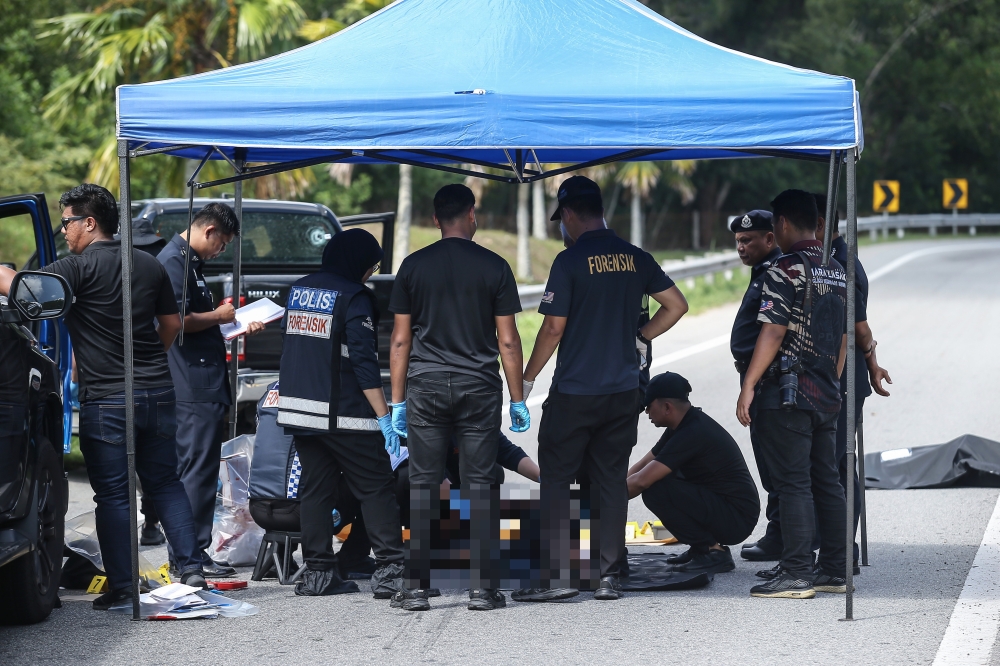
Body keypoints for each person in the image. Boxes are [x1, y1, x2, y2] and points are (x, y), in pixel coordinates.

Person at [0, 183, 207, 610]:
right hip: (158, 391)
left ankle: (125, 588)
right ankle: (192, 570)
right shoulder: (149, 264)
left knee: (113, 495)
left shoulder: (75, 268)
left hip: (107, 399)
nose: (64, 231)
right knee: (165, 483)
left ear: (90, 222)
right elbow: (171, 324)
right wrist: (148, 363)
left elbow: (19, 286)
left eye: (67, 222)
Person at [515, 175, 688, 603]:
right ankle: (608, 575)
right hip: (624, 391)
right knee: (610, 479)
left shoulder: (569, 261)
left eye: (562, 219)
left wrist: (527, 378)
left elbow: (553, 328)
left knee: (557, 479)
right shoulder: (635, 257)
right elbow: (677, 305)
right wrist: (641, 337)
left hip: (575, 392)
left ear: (568, 214)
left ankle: (557, 576)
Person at [388, 183, 527, 612]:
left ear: (435, 219)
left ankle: (416, 587)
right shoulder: (495, 266)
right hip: (478, 387)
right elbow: (508, 340)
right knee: (480, 483)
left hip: (426, 385)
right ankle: (483, 589)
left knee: (424, 483)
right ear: (471, 215)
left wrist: (397, 401)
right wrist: (517, 398)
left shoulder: (412, 267)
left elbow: (400, 340)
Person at [276, 228, 405, 598]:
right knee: (377, 486)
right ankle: (391, 571)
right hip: (344, 413)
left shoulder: (299, 290)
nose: (370, 274)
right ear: (358, 262)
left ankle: (318, 573)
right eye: (372, 267)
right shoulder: (354, 297)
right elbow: (364, 364)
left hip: (300, 411)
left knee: (316, 489)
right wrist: (383, 417)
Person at [736, 189, 849, 599]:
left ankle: (797, 572)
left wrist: (749, 384)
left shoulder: (785, 268)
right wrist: (832, 378)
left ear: (782, 223)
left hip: (788, 393)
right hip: (826, 390)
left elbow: (773, 330)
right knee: (827, 481)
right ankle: (834, 569)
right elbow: (844, 336)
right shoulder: (836, 269)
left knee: (793, 482)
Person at [157, 203, 264, 577]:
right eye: (222, 243)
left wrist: (232, 323)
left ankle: (191, 552)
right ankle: (189, 555)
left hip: (203, 378)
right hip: (191, 382)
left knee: (200, 470)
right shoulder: (174, 262)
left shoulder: (190, 264)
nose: (221, 251)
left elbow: (196, 321)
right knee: (196, 471)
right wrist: (218, 316)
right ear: (209, 230)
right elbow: (176, 321)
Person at [814, 193, 892, 572]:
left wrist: (872, 362)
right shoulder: (830, 258)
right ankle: (837, 545)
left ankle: (845, 549)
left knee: (839, 464)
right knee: (835, 461)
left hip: (842, 380)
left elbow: (860, 329)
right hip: (836, 376)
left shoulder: (840, 263)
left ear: (821, 225)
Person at [626, 372, 759, 575]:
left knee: (656, 489)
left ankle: (711, 551)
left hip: (736, 518)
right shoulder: (683, 424)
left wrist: (596, 503)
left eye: (648, 406)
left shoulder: (693, 432)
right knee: (658, 477)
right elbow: (643, 465)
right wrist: (610, 487)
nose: (646, 412)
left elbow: (642, 481)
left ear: (667, 407)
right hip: (725, 508)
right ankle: (700, 548)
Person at [727, 210, 784, 564]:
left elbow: (773, 331)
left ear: (770, 238)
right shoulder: (762, 271)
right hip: (757, 376)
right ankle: (782, 535)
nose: (741, 247)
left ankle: (781, 536)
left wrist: (750, 382)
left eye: (748, 240)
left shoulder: (776, 271)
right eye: (738, 241)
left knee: (775, 463)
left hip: (766, 379)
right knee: (770, 461)